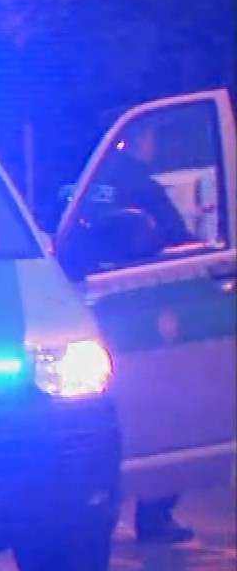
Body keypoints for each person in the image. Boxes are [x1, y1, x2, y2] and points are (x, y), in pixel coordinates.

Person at [95, 127, 197, 545]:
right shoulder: (142, 186)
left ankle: (96, 507)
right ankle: (155, 515)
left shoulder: (90, 183)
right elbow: (179, 245)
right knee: (167, 410)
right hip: (148, 309)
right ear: (144, 140)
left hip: (97, 307)